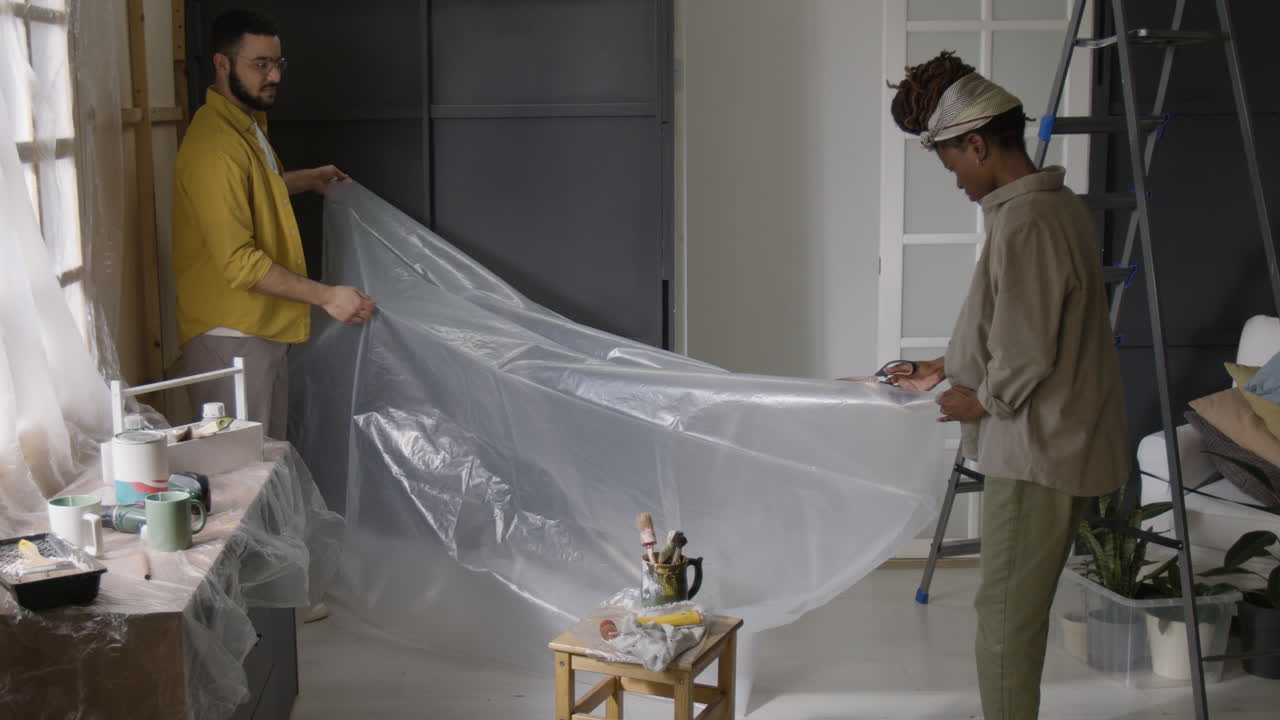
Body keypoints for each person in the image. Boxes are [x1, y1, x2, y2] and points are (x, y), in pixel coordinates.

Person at [884, 52, 1130, 719]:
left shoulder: (1025, 221)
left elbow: (1023, 350)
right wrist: (944, 368)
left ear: (976, 143)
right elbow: (1017, 322)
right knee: (1012, 609)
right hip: (1053, 438)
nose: (958, 181)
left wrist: (979, 399)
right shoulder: (1051, 206)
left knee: (1005, 614)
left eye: (954, 164)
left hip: (1036, 450)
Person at [172, 9, 374, 623]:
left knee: (260, 468)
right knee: (236, 480)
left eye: (277, 62)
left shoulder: (245, 128)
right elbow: (238, 260)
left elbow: (252, 193)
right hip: (231, 336)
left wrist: (302, 179)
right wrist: (327, 296)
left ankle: (266, 596)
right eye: (260, 63)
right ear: (222, 63)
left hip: (258, 330)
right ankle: (247, 609)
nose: (273, 74)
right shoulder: (212, 144)